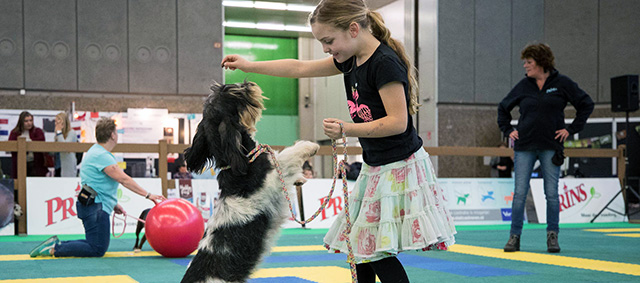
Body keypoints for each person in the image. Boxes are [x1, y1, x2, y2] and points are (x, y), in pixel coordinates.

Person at [221, 1, 456, 281]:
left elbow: (398, 122)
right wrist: (250, 65)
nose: (326, 49)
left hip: (398, 167)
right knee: (359, 247)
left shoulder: (384, 63)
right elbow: (298, 67)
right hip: (376, 166)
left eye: (328, 40)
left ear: (353, 29)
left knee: (372, 250)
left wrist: (347, 128)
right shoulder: (349, 60)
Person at [498, 43, 594, 253]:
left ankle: (553, 236)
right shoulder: (523, 86)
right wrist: (508, 130)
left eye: (529, 62)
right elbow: (503, 108)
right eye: (525, 62)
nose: (525, 66)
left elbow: (586, 104)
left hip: (551, 146)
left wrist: (571, 129)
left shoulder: (562, 84)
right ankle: (514, 237)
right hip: (524, 147)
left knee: (551, 193)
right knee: (519, 194)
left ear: (541, 63)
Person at [29, 117, 166, 257]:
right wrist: (149, 195)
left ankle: (57, 245)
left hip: (92, 205)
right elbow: (124, 179)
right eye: (116, 132)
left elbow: (98, 183)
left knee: (93, 243)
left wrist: (114, 204)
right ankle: (55, 249)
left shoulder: (95, 151)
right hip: (95, 208)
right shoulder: (102, 156)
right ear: (112, 135)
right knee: (97, 248)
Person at [8, 111, 47, 178]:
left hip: (35, 164)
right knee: (20, 183)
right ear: (21, 122)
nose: (29, 123)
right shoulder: (15, 132)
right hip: (20, 163)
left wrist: (30, 142)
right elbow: (10, 145)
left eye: (30, 120)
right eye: (26, 121)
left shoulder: (38, 131)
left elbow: (41, 141)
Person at [53, 112, 78, 177]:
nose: (56, 124)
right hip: (58, 164)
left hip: (68, 165)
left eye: (58, 123)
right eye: (55, 122)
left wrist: (59, 132)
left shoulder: (71, 133)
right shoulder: (58, 135)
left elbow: (64, 146)